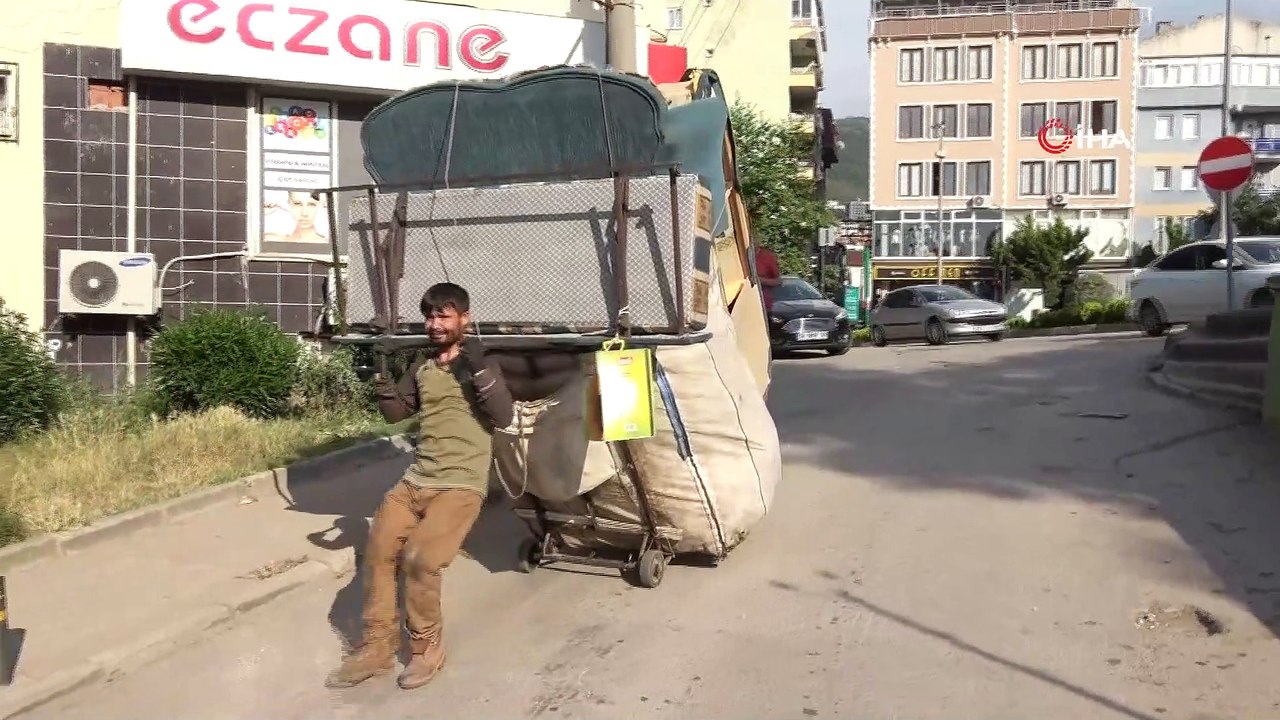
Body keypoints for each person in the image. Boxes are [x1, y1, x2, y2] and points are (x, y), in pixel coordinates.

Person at [326, 282, 514, 691]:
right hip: (416, 480)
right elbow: (397, 413)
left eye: (444, 316)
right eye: (430, 316)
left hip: (460, 484)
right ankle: (377, 647)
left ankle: (426, 648)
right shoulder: (424, 366)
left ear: (464, 318)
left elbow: (504, 417)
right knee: (377, 552)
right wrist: (381, 379)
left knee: (421, 560)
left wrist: (480, 369)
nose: (435, 324)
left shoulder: (480, 363)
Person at [755, 244, 782, 312]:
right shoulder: (737, 254)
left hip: (763, 305)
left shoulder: (767, 256)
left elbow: (778, 281)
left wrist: (759, 280)